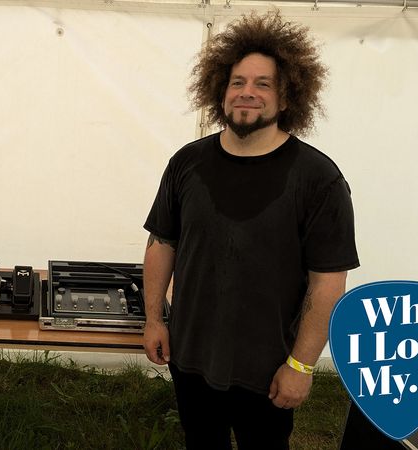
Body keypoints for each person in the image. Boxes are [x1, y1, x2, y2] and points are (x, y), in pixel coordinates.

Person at [142, 12, 359, 450]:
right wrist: (153, 319)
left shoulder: (319, 179)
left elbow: (329, 280)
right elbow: (162, 241)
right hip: (190, 356)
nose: (247, 93)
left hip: (269, 366)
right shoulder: (187, 163)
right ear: (220, 91)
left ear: (287, 96)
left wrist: (301, 366)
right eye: (238, 81)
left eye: (263, 84)